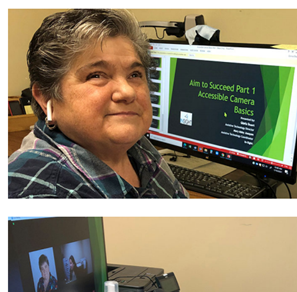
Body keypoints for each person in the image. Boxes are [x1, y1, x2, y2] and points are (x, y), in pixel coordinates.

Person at [8, 9, 188, 199]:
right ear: (46, 98)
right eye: (96, 75)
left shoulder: (137, 148)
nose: (127, 92)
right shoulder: (36, 191)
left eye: (134, 75)